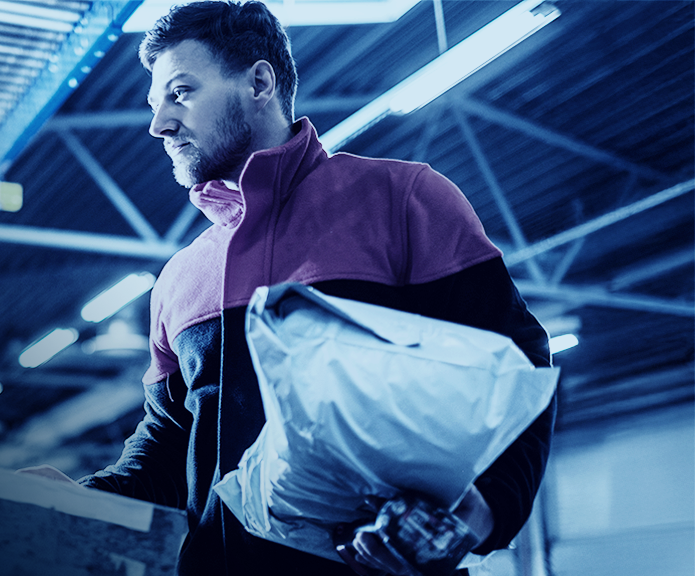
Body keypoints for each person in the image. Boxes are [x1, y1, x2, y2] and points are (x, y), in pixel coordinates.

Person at [73, 2, 556, 574]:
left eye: (180, 93)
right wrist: (68, 498)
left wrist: (481, 512)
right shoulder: (179, 279)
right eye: (154, 106)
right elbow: (168, 446)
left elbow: (516, 370)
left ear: (259, 82)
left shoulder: (402, 200)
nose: (159, 125)